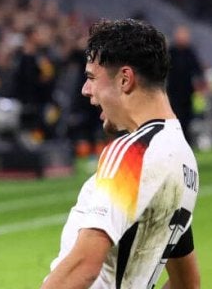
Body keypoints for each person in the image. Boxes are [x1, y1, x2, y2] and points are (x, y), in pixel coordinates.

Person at [41, 19, 200, 289]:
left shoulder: (133, 152)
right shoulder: (182, 156)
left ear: (125, 79)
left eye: (92, 77)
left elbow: (84, 266)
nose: (86, 90)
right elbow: (188, 283)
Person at [166, 25, 204, 142]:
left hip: (188, 92)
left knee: (187, 118)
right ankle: (176, 140)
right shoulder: (170, 52)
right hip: (173, 92)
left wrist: (200, 84)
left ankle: (187, 141)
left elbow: (197, 70)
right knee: (175, 117)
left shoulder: (190, 52)